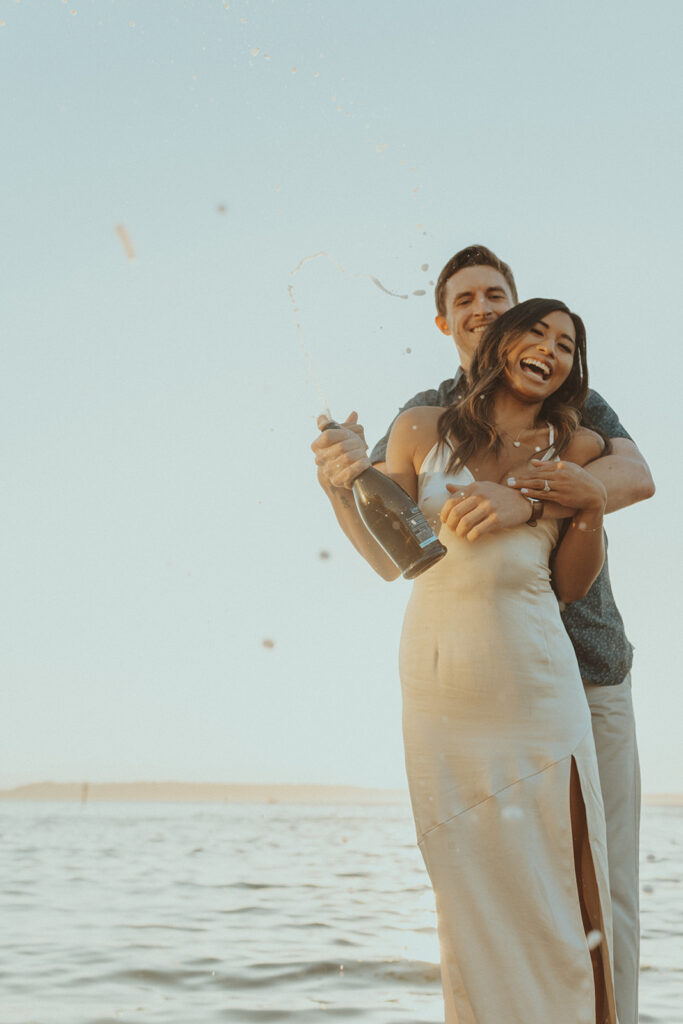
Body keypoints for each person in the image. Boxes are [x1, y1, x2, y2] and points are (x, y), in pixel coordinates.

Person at [311, 246, 654, 1024]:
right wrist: (339, 483)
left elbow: (633, 478)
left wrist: (522, 501)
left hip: (581, 665)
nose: (482, 305)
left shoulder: (574, 409)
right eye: (464, 297)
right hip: (453, 685)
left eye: (496, 292)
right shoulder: (421, 415)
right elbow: (395, 554)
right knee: (470, 888)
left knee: (596, 889)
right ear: (446, 321)